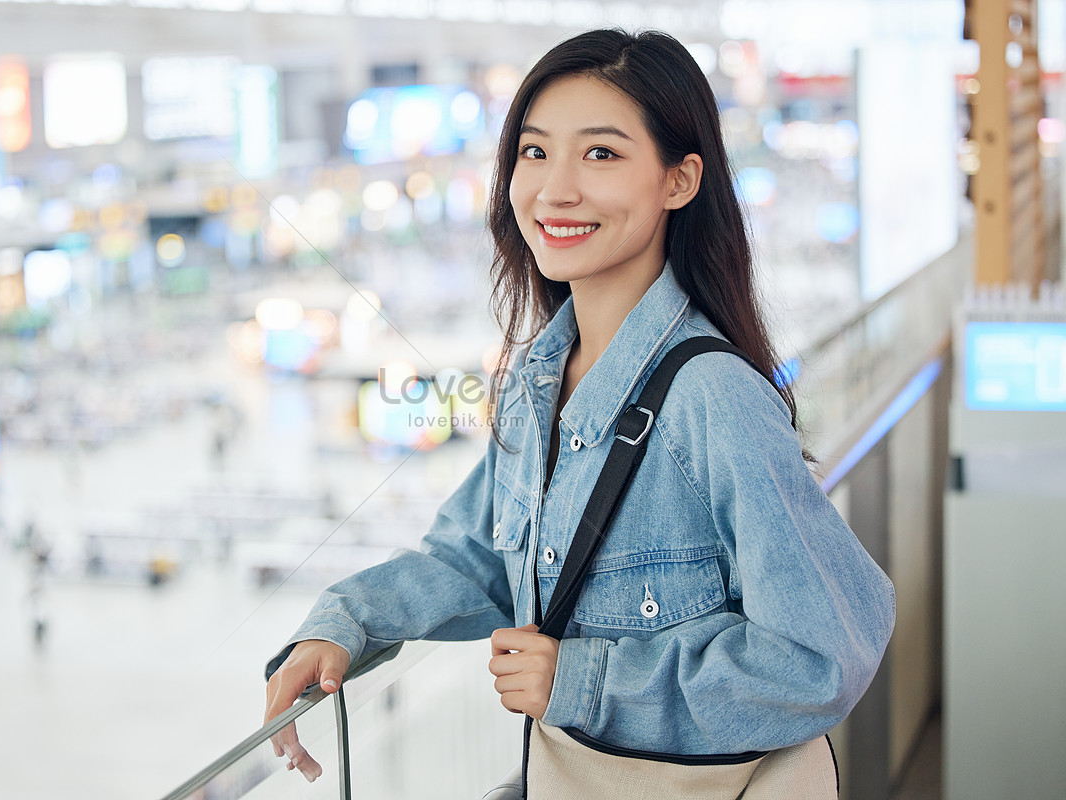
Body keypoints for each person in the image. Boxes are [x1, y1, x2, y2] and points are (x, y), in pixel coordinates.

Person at [263, 28, 895, 789]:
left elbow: (824, 653)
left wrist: (585, 683)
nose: (554, 190)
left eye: (601, 154)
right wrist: (345, 625)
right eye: (535, 152)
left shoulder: (710, 396)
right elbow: (479, 556)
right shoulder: (538, 377)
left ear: (679, 181)